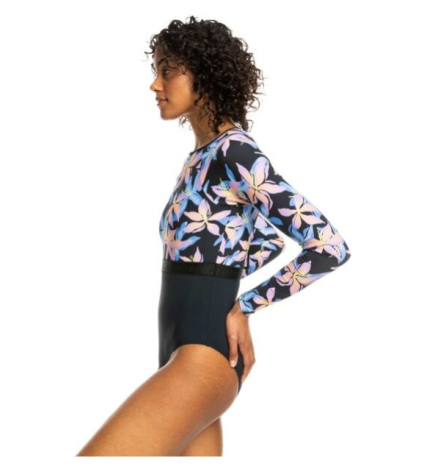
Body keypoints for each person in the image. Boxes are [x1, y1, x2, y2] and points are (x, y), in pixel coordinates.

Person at [77, 15, 351, 457]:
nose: (155, 84)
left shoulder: (234, 150)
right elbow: (265, 242)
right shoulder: (201, 157)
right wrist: (227, 280)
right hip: (179, 349)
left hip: (204, 352)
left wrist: (244, 306)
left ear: (203, 77)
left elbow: (328, 246)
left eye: (167, 70)